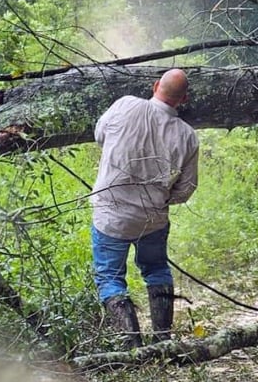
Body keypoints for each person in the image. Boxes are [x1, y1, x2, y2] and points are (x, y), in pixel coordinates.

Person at [90, 68, 199, 349]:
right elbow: (186, 189)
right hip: (152, 219)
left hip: (110, 216)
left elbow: (100, 135)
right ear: (183, 99)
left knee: (110, 277)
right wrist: (162, 199)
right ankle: (162, 340)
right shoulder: (187, 136)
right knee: (156, 269)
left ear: (154, 86)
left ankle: (130, 345)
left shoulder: (125, 105)